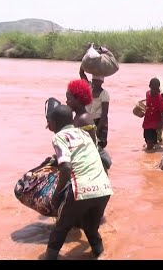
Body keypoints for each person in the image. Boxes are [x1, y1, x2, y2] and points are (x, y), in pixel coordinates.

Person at [44, 105, 113, 260]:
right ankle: (101, 254)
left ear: (54, 123)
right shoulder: (84, 133)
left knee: (61, 228)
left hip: (82, 190)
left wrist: (56, 195)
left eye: (48, 122)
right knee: (91, 229)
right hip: (104, 188)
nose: (48, 125)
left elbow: (67, 167)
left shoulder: (59, 137)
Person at [65, 79, 112, 172]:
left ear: (78, 99)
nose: (66, 102)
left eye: (69, 98)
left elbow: (83, 149)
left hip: (92, 164)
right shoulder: (80, 117)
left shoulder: (82, 120)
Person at [86, 75, 110, 149]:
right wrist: (82, 68)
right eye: (93, 80)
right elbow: (82, 75)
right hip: (89, 120)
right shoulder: (89, 89)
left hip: (99, 121)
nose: (94, 82)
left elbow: (104, 113)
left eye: (97, 81)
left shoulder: (104, 94)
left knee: (99, 143)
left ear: (101, 82)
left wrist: (98, 129)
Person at [142, 78, 163, 150]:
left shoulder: (159, 98)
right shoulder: (147, 94)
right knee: (148, 140)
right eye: (153, 88)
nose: (155, 90)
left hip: (155, 123)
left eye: (157, 88)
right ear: (149, 86)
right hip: (147, 121)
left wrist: (161, 123)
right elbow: (147, 105)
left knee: (150, 145)